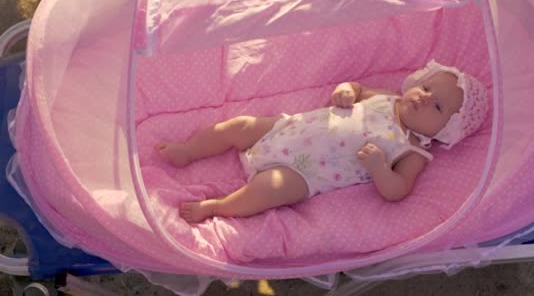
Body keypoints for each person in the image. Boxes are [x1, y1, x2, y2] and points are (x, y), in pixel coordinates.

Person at [155, 60, 489, 223]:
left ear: (446, 129)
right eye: (427, 89)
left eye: (438, 106)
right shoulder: (388, 98)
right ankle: (189, 150)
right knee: (239, 125)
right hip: (288, 129)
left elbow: (398, 190)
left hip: (307, 171)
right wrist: (346, 89)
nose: (423, 99)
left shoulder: (414, 150)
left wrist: (379, 168)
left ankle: (216, 207)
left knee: (268, 190)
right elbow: (357, 89)